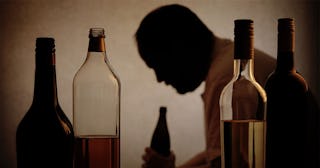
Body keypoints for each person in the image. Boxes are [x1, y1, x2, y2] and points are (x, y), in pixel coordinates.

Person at [135, 4, 276, 168]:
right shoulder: (226, 62)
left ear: (179, 48)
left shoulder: (227, 79)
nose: (159, 78)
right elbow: (217, 153)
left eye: (159, 65)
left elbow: (225, 165)